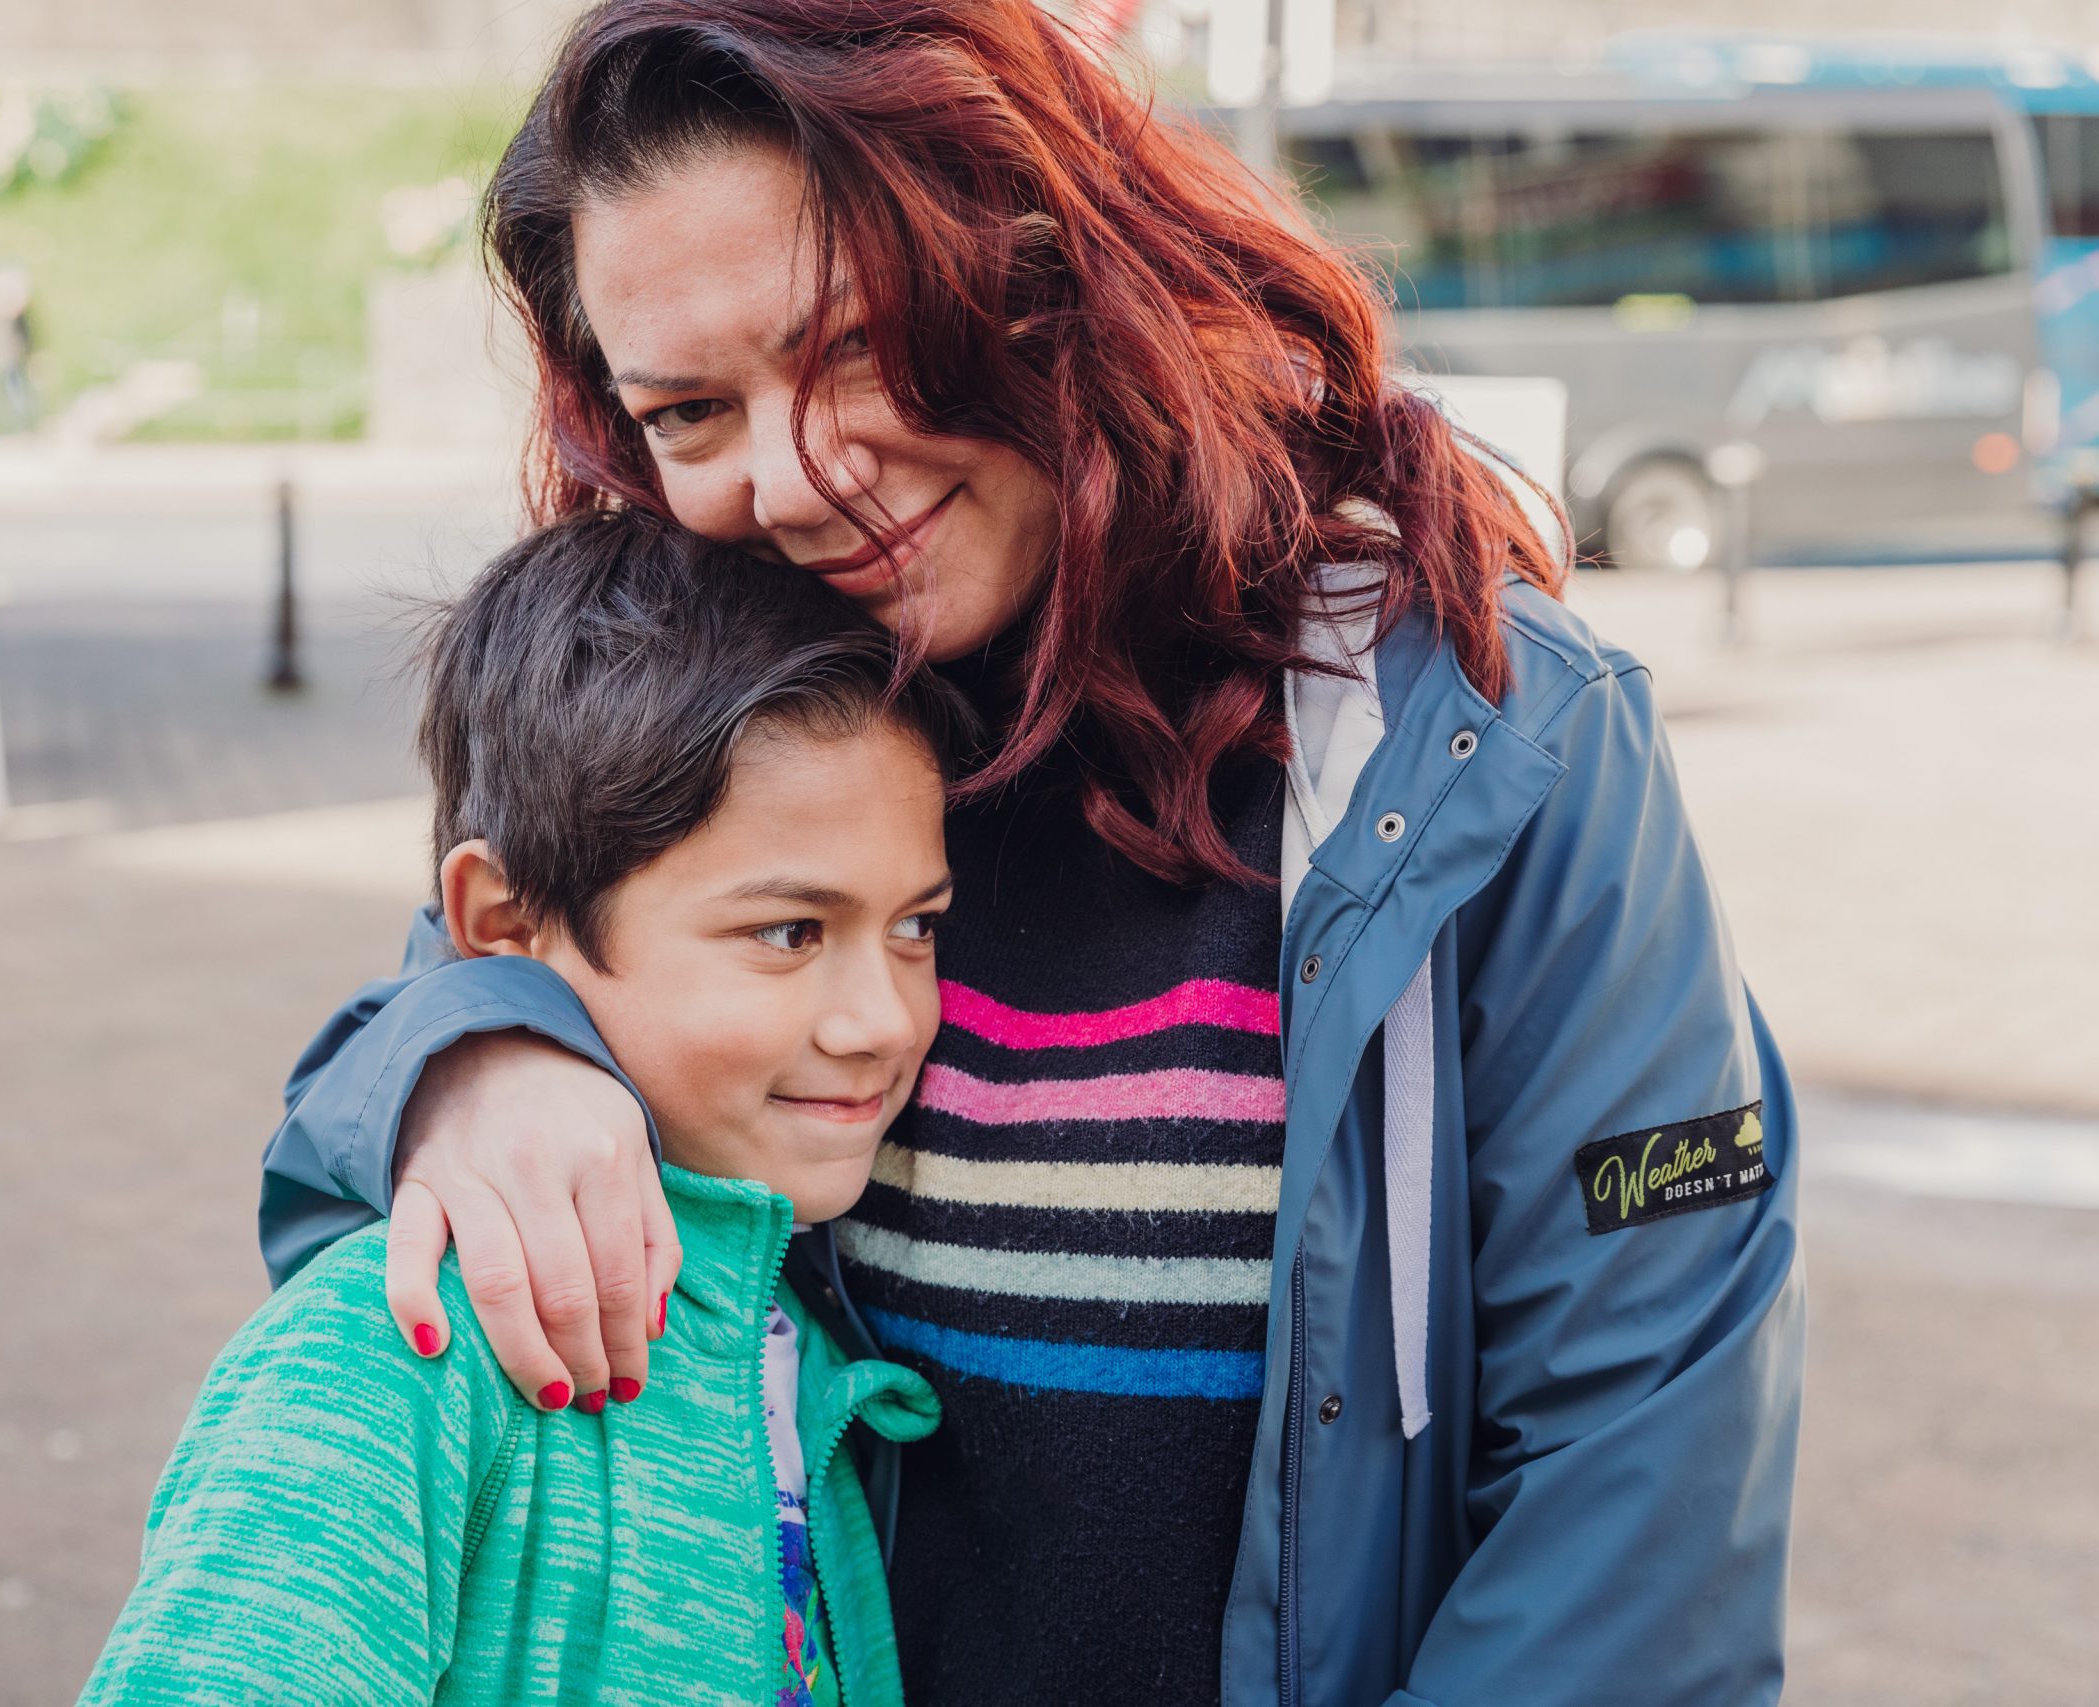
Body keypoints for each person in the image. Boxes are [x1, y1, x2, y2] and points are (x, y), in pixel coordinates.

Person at [258, 4, 1805, 1703]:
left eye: (857, 345)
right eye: (693, 412)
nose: (796, 476)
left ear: (1054, 263)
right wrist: (475, 1054)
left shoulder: (1491, 734)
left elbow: (1637, 1488)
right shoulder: (699, 731)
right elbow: (388, 1108)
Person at [88, 511, 963, 1705]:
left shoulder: (798, 1330)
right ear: (502, 922)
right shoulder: (390, 1355)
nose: (882, 1019)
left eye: (916, 926)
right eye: (787, 932)